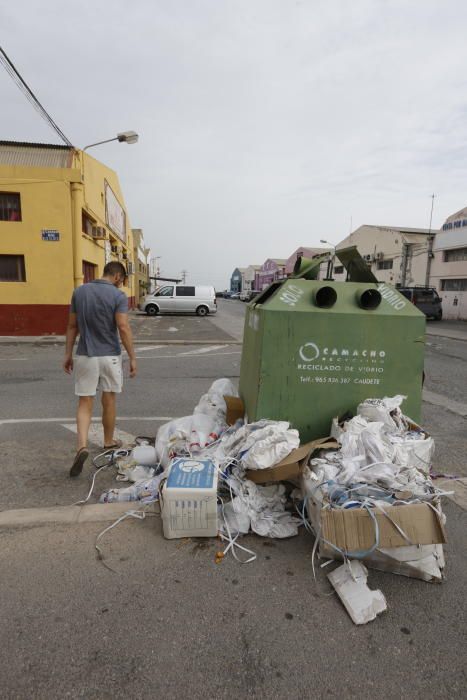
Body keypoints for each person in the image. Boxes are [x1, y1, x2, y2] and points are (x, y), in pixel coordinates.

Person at [63, 261, 137, 477]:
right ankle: (107, 441)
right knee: (109, 400)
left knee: (85, 402)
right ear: (117, 277)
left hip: (85, 355)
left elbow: (71, 326)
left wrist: (67, 354)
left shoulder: (79, 292)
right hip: (110, 356)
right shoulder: (117, 296)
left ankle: (82, 446)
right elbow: (123, 327)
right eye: (121, 281)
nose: (120, 285)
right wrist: (132, 357)